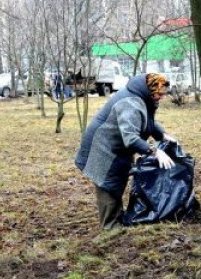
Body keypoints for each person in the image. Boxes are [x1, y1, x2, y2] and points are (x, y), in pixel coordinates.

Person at [75, 73, 177, 229]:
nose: (162, 97)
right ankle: (110, 228)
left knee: (117, 181)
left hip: (116, 147)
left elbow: (145, 119)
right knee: (108, 185)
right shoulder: (130, 103)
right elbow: (130, 137)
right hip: (102, 147)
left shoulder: (143, 97)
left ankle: (117, 220)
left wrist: (162, 135)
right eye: (159, 94)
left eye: (164, 94)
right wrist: (155, 152)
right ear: (150, 89)